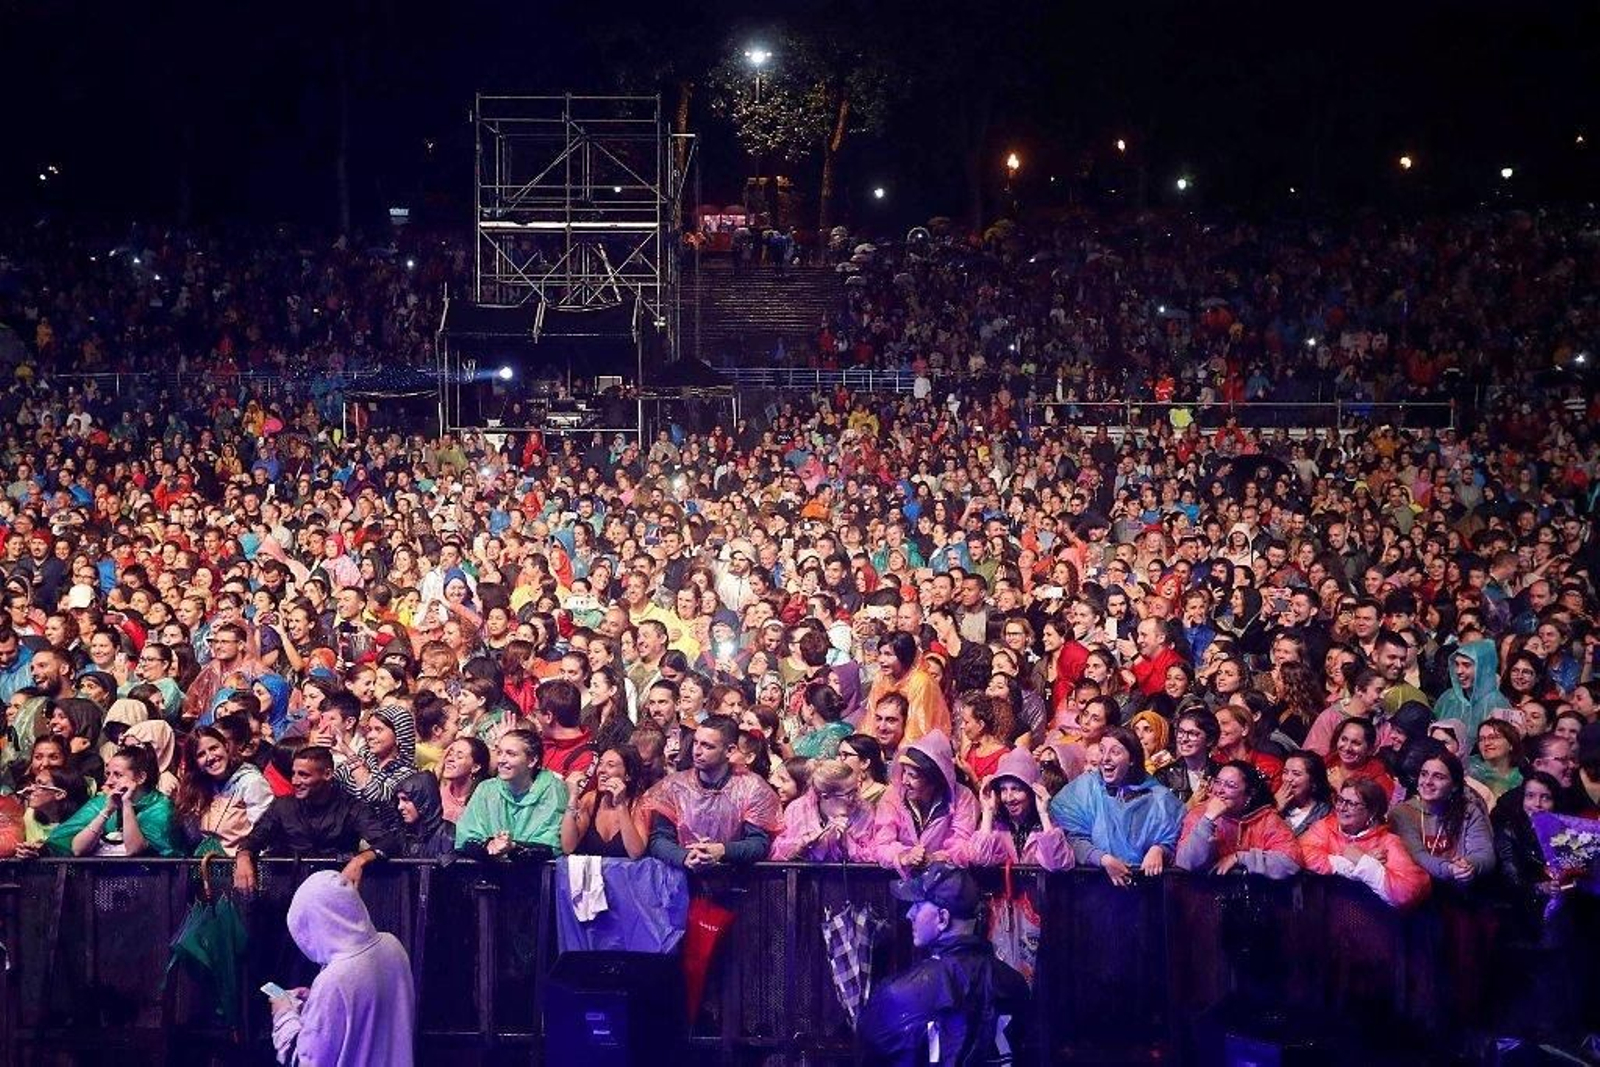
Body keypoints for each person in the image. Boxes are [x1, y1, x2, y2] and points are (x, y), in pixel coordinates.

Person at [858, 864, 1030, 1067]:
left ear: (942, 918)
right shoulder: (1015, 984)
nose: (909, 914)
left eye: (919, 905)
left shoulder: (898, 994)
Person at [269, 870, 416, 1067]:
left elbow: (303, 1061)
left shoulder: (333, 980)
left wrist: (284, 1013)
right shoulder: (392, 945)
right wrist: (316, 1000)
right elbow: (369, 1005)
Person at [234, 747, 402, 894]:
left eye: (304, 775)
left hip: (334, 892)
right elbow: (255, 839)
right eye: (293, 774)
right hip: (290, 894)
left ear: (327, 774)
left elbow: (388, 841)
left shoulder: (351, 806)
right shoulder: (283, 806)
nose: (295, 781)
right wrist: (243, 858)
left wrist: (360, 860)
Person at [1051, 725, 1183, 886]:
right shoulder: (1084, 789)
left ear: (1132, 759)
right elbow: (1072, 838)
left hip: (1145, 890)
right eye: (1102, 750)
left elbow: (1176, 837)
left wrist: (1160, 849)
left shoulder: (1158, 797)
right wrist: (1102, 859)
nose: (1105, 758)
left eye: (1115, 752)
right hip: (1094, 888)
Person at [644, 714, 781, 868]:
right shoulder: (674, 786)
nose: (697, 751)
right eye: (696, 742)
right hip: (682, 880)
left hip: (736, 882)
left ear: (729, 751)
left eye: (707, 746)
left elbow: (759, 843)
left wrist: (723, 851)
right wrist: (684, 856)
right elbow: (659, 838)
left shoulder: (753, 788)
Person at [1300, 776, 1431, 909]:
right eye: (1340, 800)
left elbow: (1407, 892)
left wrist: (1365, 863)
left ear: (1372, 811)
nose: (1341, 808)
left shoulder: (1387, 842)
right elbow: (1302, 853)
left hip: (1370, 919)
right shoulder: (1325, 827)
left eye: (1351, 804)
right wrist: (1352, 862)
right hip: (1325, 916)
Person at [872, 730, 978, 871]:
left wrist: (938, 858)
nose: (904, 781)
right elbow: (882, 844)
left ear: (933, 780)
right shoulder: (893, 795)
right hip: (901, 882)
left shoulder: (963, 797)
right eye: (904, 772)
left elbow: (964, 844)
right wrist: (905, 855)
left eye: (913, 776)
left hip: (947, 882)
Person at [1176, 760, 1302, 878]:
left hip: (1255, 897)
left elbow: (1290, 862)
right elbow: (1186, 863)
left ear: (1249, 794)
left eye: (1230, 785)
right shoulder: (1198, 815)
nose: (1220, 790)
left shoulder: (1266, 819)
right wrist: (1207, 820)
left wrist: (1240, 858)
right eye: (1217, 782)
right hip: (1205, 896)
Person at [48, 745, 180, 857]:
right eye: (108, 774)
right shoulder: (101, 803)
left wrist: (126, 804)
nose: (109, 782)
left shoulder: (160, 809)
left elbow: (134, 850)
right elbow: (77, 849)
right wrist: (107, 811)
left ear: (140, 778)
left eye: (118, 775)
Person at [454, 729, 567, 858]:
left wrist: (513, 847)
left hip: (534, 873)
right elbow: (467, 837)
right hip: (489, 871)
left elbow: (552, 844)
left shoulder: (554, 789)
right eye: (499, 753)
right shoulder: (486, 789)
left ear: (532, 760)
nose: (501, 760)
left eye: (511, 754)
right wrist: (488, 845)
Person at [1388, 752, 1495, 886]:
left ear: (1455, 785)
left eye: (1438, 777)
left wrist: (1469, 865)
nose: (1427, 782)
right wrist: (1449, 869)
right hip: (1421, 893)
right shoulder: (1402, 813)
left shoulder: (1469, 811)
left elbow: (1484, 854)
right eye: (1424, 774)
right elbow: (1417, 856)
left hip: (1463, 894)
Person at [173, 723, 276, 855]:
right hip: (207, 868)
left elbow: (266, 835)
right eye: (201, 754)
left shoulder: (251, 782)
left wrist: (246, 857)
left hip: (243, 867)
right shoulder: (200, 785)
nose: (210, 757)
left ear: (226, 746)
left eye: (214, 748)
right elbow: (193, 838)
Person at [969, 747, 1073, 870]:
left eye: (1016, 789)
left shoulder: (1048, 825)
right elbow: (979, 858)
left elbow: (1058, 864)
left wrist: (1044, 814)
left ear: (1031, 791)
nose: (1009, 798)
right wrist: (987, 812)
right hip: (1005, 889)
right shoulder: (997, 826)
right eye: (1003, 790)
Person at [771, 758, 878, 862]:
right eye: (849, 794)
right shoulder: (797, 809)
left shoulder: (865, 811)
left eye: (856, 789)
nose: (855, 797)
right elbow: (776, 852)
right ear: (825, 796)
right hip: (806, 876)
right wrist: (800, 847)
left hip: (852, 877)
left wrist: (846, 843)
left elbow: (874, 854)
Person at [559, 744, 649, 858]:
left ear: (628, 775)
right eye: (600, 764)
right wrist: (572, 797)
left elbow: (635, 852)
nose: (601, 770)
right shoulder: (590, 800)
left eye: (610, 765)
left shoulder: (640, 805)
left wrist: (621, 805)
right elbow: (568, 847)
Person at [868, 633, 950, 744]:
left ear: (904, 657)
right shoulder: (881, 677)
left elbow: (918, 730)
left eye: (888, 654)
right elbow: (872, 716)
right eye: (880, 654)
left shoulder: (921, 681)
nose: (881, 660)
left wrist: (900, 757)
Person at [395, 771, 455, 858]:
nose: (399, 807)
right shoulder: (402, 835)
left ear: (423, 800)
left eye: (405, 799)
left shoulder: (448, 835)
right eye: (399, 800)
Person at [1276, 751, 1334, 837]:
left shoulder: (1324, 814)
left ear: (1313, 781)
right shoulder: (1272, 803)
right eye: (1285, 772)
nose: (1288, 779)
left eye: (1296, 774)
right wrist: (1275, 809)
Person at [435, 735, 490, 824]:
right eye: (450, 754)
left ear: (475, 767)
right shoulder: (438, 795)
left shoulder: (483, 801)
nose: (450, 759)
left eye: (459, 756)